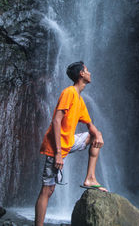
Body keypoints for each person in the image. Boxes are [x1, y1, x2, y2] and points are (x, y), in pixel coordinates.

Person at [35, 61, 107, 226]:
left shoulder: (79, 99)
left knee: (94, 136)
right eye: (87, 70)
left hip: (69, 142)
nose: (90, 73)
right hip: (56, 146)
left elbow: (89, 125)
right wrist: (58, 153)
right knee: (48, 190)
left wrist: (98, 134)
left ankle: (90, 178)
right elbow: (56, 121)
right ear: (81, 74)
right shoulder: (69, 92)